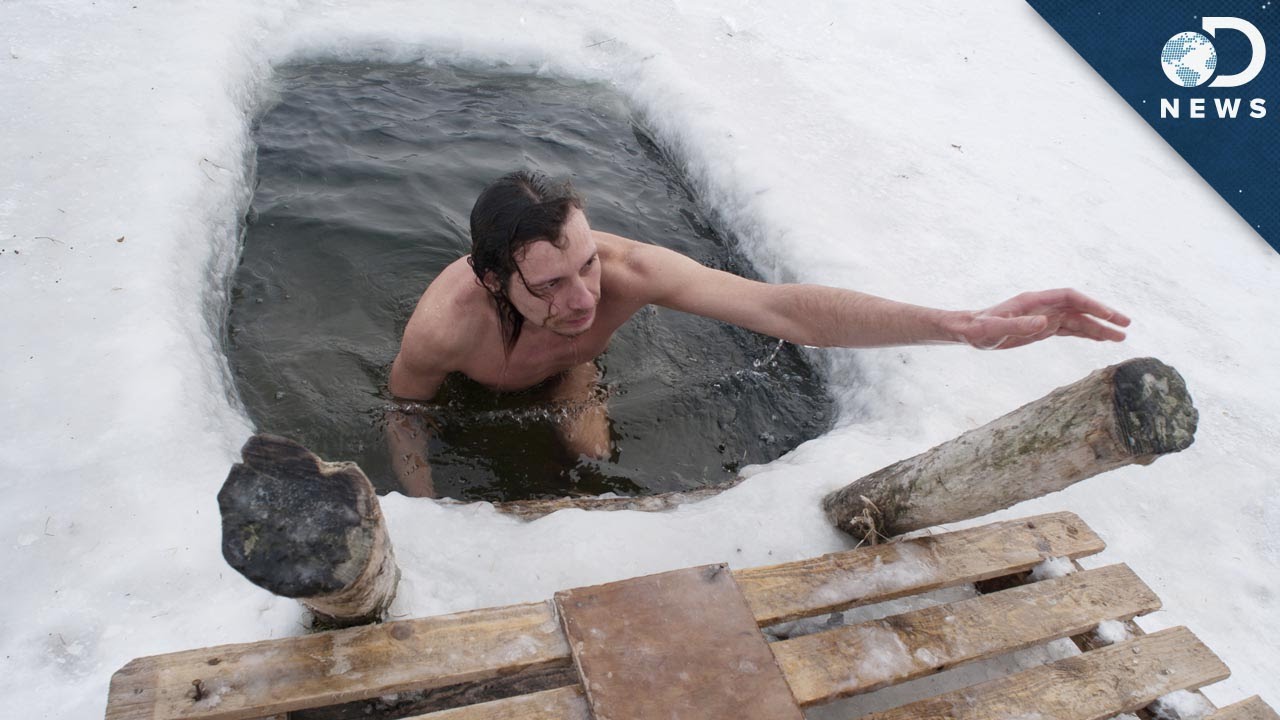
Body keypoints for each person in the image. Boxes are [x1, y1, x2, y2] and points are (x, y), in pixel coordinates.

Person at [386, 170, 1131, 497]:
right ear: (493, 281)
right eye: (550, 285)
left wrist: (954, 325)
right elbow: (404, 412)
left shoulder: (630, 270)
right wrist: (422, 511)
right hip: (472, 387)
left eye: (587, 265)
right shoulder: (445, 329)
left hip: (572, 374)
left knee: (592, 464)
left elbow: (781, 309)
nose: (584, 298)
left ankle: (578, 408)